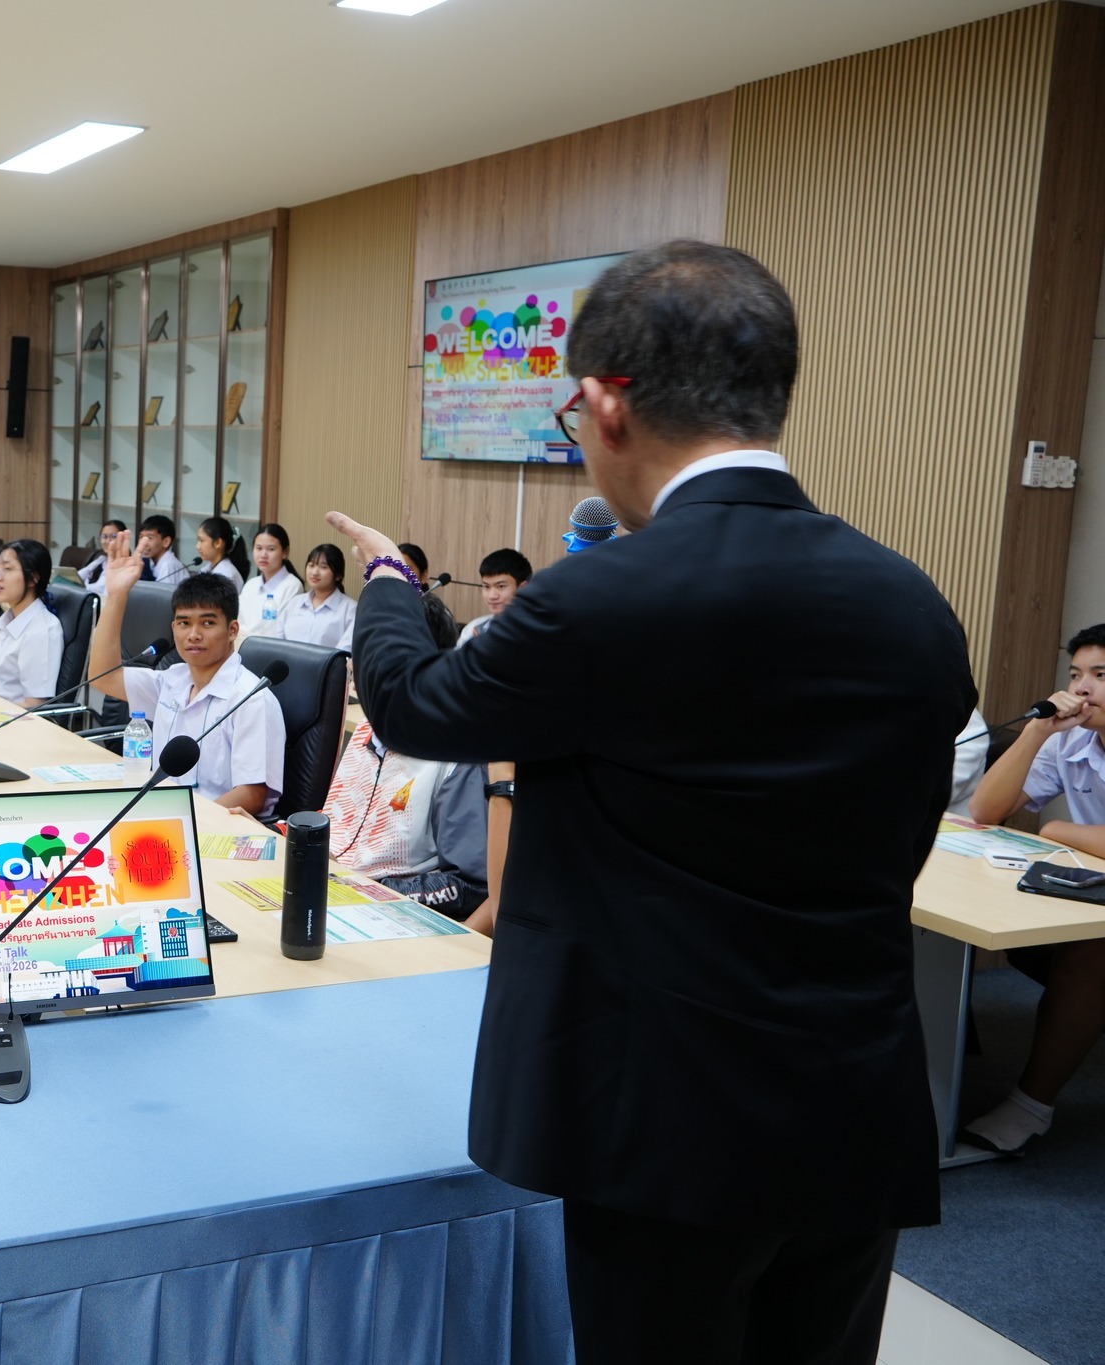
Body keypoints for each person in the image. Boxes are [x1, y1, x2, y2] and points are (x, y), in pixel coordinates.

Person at [328, 240, 974, 1365]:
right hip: (850, 1104)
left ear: (606, 404)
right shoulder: (912, 602)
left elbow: (415, 705)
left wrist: (388, 582)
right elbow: (904, 833)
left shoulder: (603, 598)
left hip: (661, 1117)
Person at [960, 625, 1105, 1153]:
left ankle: (1030, 1106)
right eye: (1075, 674)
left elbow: (1057, 830)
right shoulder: (1072, 741)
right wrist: (1038, 732)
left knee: (1093, 951)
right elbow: (985, 810)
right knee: (1028, 931)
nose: (1082, 688)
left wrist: (1058, 829)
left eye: (1100, 675)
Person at [87, 535, 285, 818]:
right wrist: (116, 596)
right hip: (162, 814)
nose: (193, 634)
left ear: (232, 630)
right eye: (184, 623)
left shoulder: (251, 699)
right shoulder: (172, 680)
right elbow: (102, 677)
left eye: (208, 623)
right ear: (173, 628)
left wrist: (185, 822)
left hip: (211, 826)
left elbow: (251, 793)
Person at [320, 718, 488, 917]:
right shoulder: (369, 729)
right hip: (330, 888)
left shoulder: (459, 758)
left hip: (390, 911)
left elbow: (470, 887)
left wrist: (375, 890)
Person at [0, 539, 62, 707]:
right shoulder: (7, 619)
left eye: (7, 569)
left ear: (33, 578)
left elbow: (34, 705)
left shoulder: (42, 630)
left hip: (2, 718)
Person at [277, 543, 356, 649]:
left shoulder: (350, 610)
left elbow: (345, 649)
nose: (314, 572)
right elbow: (277, 640)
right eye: (311, 565)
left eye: (323, 567)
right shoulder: (294, 603)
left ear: (338, 575)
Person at [238, 523, 302, 639]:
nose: (263, 555)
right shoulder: (250, 584)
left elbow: (280, 631)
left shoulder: (293, 586)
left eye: (271, 549)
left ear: (285, 552)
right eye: (259, 548)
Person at [458, 548, 533, 647]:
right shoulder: (474, 629)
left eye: (501, 586)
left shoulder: (539, 631)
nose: (492, 596)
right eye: (486, 587)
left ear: (523, 588)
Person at [398, 541, 458, 650]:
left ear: (424, 576)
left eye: (407, 570)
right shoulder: (382, 607)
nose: (400, 576)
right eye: (396, 570)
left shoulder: (434, 613)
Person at [191, 516, 249, 593]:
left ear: (218, 543)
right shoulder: (207, 568)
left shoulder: (227, 575)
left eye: (202, 540)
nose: (197, 546)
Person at [77, 519, 127, 592]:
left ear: (123, 539)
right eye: (104, 536)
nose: (107, 541)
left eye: (113, 536)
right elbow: (76, 578)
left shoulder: (125, 566)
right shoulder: (100, 560)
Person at [135, 515, 186, 585]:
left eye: (150, 538)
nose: (143, 543)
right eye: (141, 537)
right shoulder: (150, 562)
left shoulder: (168, 565)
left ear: (166, 542)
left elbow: (163, 591)